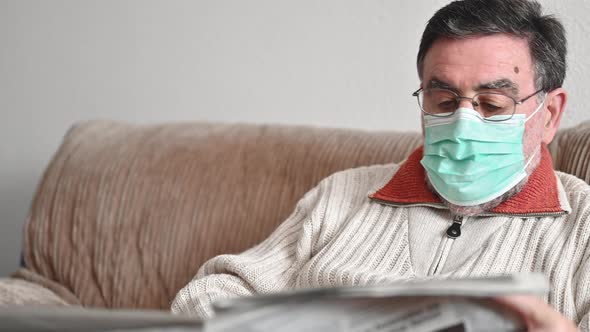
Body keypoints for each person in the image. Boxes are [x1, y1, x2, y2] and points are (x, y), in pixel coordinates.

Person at [172, 0, 589, 330]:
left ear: (549, 115)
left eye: (493, 104)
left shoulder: (583, 225)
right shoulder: (341, 194)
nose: (463, 122)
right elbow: (219, 292)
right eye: (443, 101)